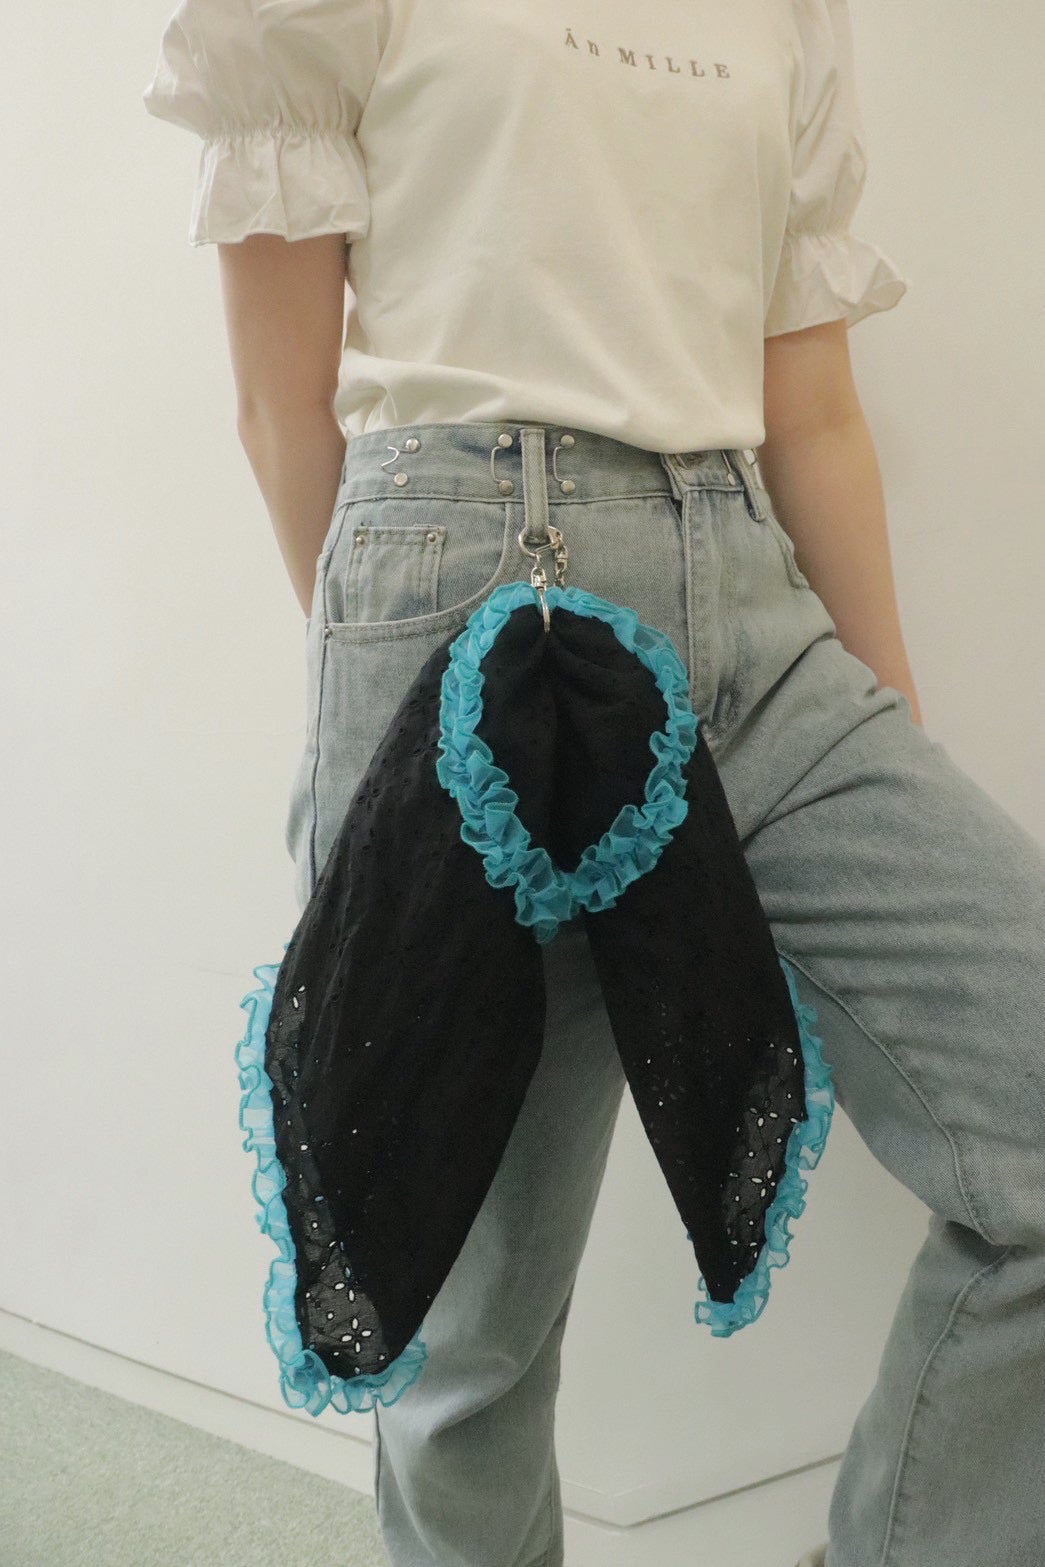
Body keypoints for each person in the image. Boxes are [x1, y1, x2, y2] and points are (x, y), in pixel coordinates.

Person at [142, 5, 1045, 1565]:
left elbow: (813, 406)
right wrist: (412, 704)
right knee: (463, 1330)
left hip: (750, 609)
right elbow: (279, 401)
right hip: (464, 588)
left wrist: (888, 724)